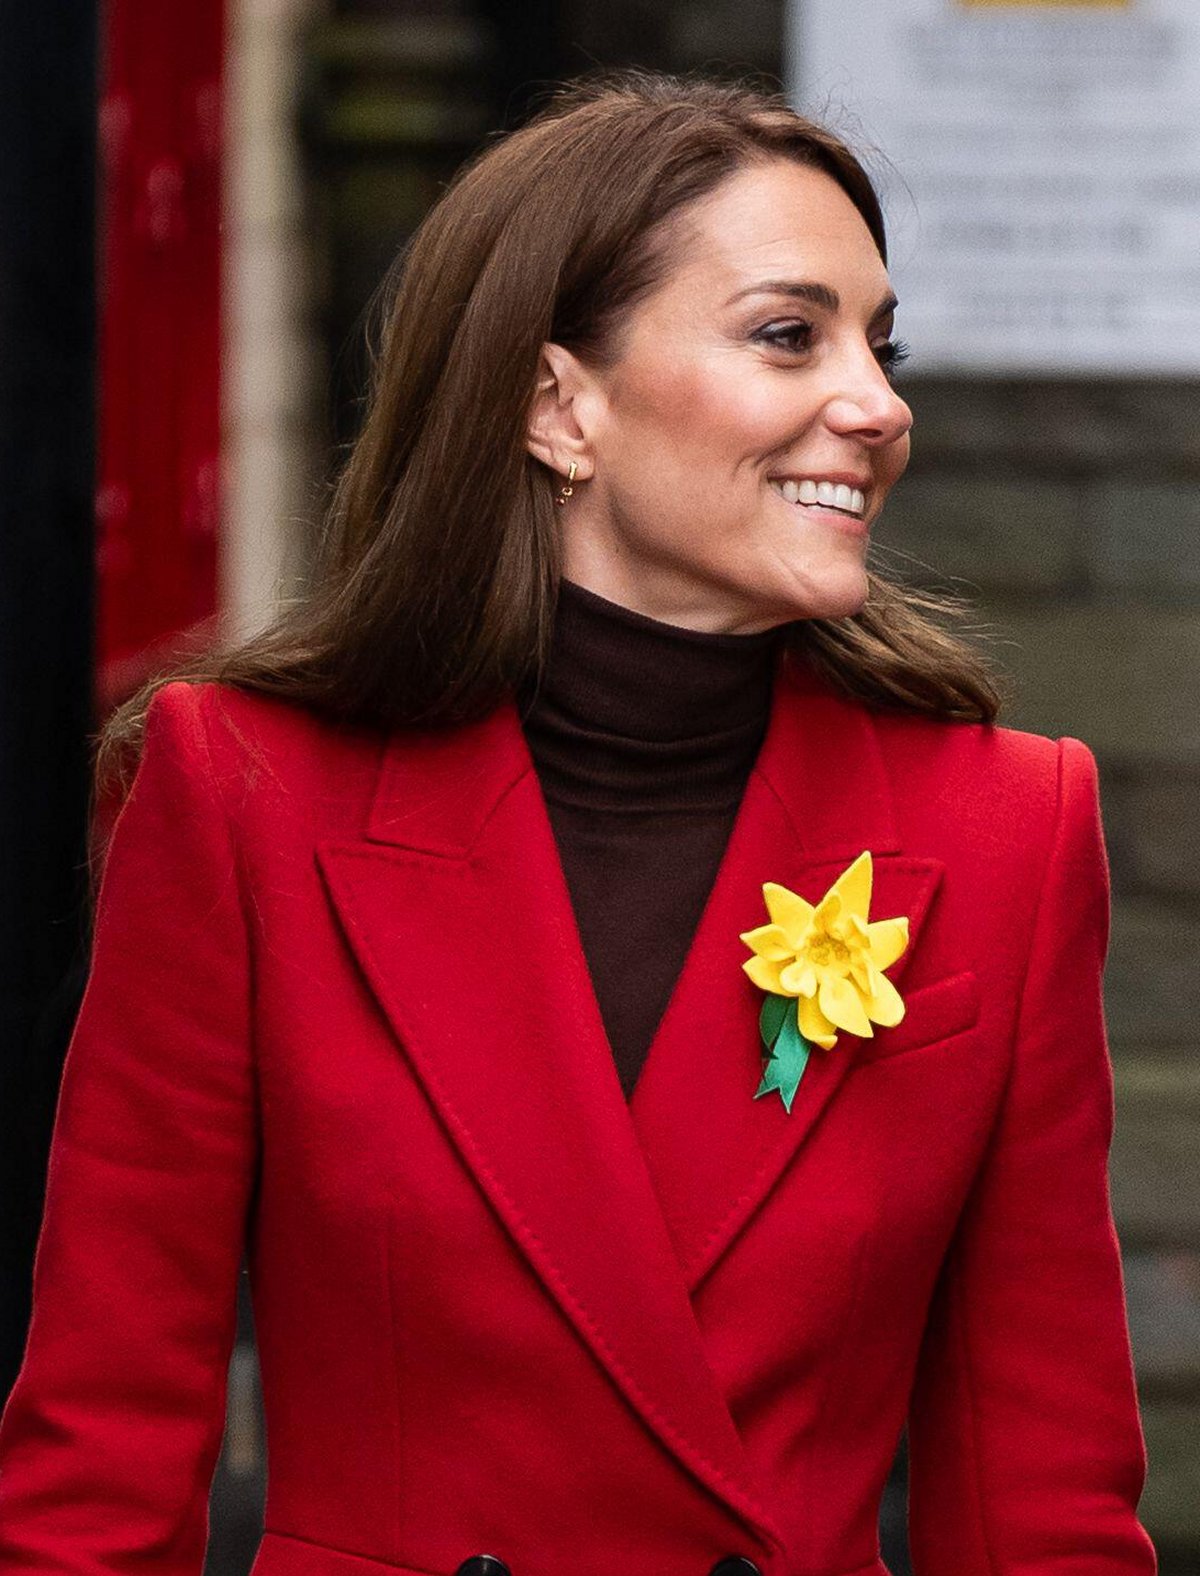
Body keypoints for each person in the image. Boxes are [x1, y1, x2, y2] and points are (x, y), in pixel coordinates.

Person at [0, 70, 1155, 1576]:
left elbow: (1044, 1501)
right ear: (560, 406)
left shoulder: (1010, 825)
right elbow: (104, 1456)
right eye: (790, 335)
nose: (878, 405)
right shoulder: (239, 797)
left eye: (886, 344)